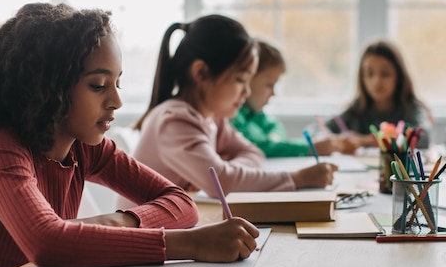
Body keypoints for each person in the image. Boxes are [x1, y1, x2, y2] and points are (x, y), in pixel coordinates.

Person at [0, 3, 260, 267]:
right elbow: (48, 245)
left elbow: (181, 203)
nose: (117, 101)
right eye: (99, 85)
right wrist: (191, 244)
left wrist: (119, 221)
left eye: (117, 82)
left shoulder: (84, 146)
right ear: (49, 88)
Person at [117, 15, 336, 210]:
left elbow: (253, 153)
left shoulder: (213, 118)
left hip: (177, 228)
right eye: (241, 80)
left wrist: (225, 171)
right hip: (144, 239)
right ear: (201, 73)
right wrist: (297, 178)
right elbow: (223, 182)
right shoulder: (174, 120)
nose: (247, 91)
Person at [230, 39, 358, 157]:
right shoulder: (232, 115)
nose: (273, 93)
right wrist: (309, 148)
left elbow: (276, 127)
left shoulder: (255, 114)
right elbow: (257, 147)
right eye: (269, 85)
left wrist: (274, 141)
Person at [325, 40, 432, 149]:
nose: (377, 82)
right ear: (362, 78)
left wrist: (364, 140)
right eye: (369, 74)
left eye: (385, 74)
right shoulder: (356, 109)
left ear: (399, 76)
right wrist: (336, 142)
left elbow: (423, 138)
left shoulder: (411, 108)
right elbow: (319, 130)